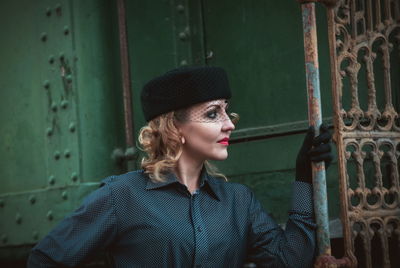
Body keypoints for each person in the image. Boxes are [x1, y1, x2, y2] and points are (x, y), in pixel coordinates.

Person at [27, 66, 332, 267]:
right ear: (175, 128)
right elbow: (46, 260)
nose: (229, 124)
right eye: (213, 114)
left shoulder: (239, 202)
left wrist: (304, 176)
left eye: (227, 111)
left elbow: (290, 259)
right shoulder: (123, 197)